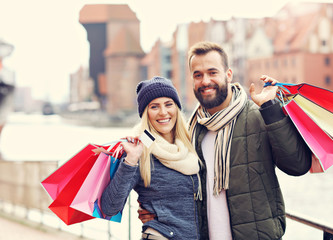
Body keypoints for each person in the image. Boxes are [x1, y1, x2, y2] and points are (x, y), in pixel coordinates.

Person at [138, 42, 312, 240]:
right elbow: (173, 183)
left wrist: (271, 109)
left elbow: (297, 166)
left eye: (213, 72)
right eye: (198, 75)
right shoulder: (190, 129)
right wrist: (153, 209)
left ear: (228, 75)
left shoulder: (259, 115)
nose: (205, 81)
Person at [100, 76, 201, 240]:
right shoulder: (139, 151)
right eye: (154, 107)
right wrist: (130, 161)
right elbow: (109, 207)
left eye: (168, 104)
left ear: (176, 107)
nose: (163, 112)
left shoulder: (191, 145)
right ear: (146, 113)